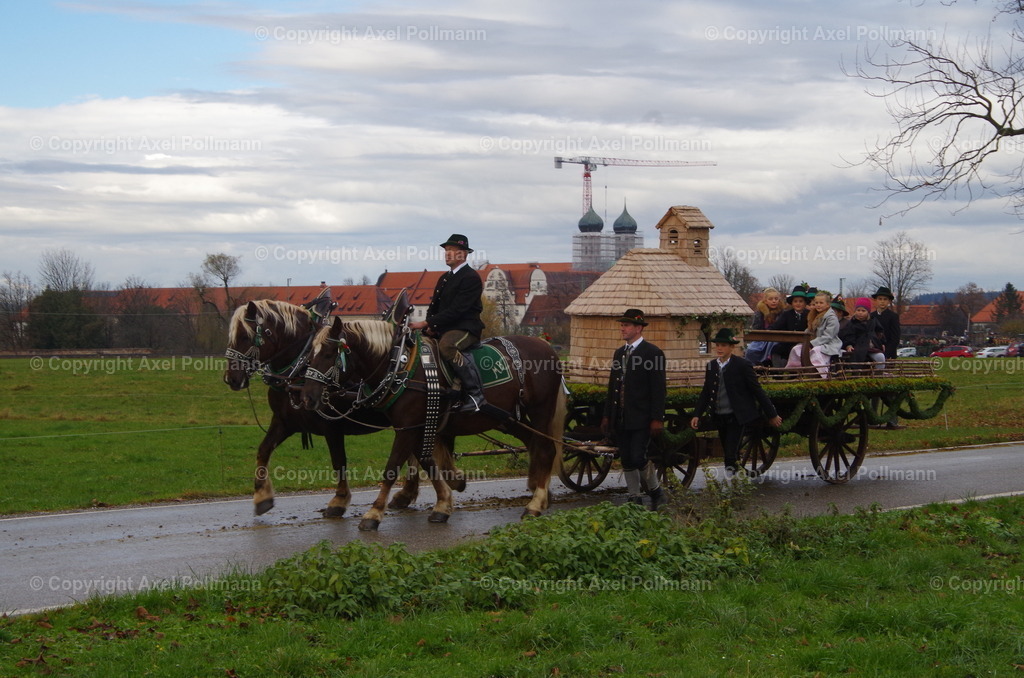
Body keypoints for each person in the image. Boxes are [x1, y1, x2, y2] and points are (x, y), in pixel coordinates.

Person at [408, 234, 488, 413]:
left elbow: (458, 310)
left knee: (447, 346)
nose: (447, 254)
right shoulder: (444, 278)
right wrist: (430, 327)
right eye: (446, 251)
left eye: (452, 250)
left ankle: (475, 394)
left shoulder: (471, 277)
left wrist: (426, 323)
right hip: (445, 326)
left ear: (464, 254)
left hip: (466, 328)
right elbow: (434, 306)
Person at [691, 328, 783, 475]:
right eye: (718, 345)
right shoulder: (712, 366)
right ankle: (733, 480)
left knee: (730, 453)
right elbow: (706, 392)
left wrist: (772, 414)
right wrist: (697, 414)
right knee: (727, 450)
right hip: (720, 416)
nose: (720, 349)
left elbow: (757, 390)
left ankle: (732, 484)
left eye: (724, 345)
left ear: (731, 347)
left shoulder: (742, 365)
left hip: (737, 417)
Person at [601, 309, 667, 510]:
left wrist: (657, 418)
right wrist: (606, 415)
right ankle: (634, 497)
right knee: (627, 457)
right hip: (621, 416)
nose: (623, 328)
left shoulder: (652, 353)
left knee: (638, 456)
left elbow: (658, 389)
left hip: (642, 416)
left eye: (627, 325)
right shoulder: (619, 353)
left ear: (638, 328)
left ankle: (656, 491)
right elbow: (613, 386)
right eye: (622, 325)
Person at [787, 290, 841, 377]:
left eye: (821, 303)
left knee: (816, 352)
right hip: (813, 342)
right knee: (796, 348)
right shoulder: (813, 315)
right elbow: (809, 330)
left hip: (829, 344)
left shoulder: (831, 318)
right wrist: (803, 338)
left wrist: (811, 344)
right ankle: (794, 372)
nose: (818, 305)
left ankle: (821, 374)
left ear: (827, 304)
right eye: (816, 303)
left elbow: (828, 336)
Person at [871, 286, 904, 429]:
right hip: (873, 356)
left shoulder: (892, 317)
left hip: (888, 356)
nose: (882, 302)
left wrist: (886, 355)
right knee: (872, 388)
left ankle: (892, 418)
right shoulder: (871, 316)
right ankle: (872, 416)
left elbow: (895, 338)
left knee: (888, 388)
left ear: (889, 302)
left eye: (885, 299)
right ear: (876, 301)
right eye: (879, 299)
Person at [768, 284, 810, 367]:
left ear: (805, 303)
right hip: (787, 342)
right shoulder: (786, 314)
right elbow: (776, 326)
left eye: (801, 301)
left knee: (795, 350)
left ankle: (794, 372)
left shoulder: (809, 315)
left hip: (803, 343)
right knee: (775, 349)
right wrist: (769, 330)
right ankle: (778, 372)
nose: (798, 304)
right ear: (792, 303)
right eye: (795, 301)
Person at [839, 297, 884, 370]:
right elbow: (848, 336)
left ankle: (879, 374)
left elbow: (880, 332)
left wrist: (881, 342)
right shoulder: (852, 324)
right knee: (856, 360)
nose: (860, 312)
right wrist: (849, 345)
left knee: (880, 357)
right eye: (858, 310)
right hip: (858, 348)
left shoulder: (873, 321)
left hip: (872, 347)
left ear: (868, 312)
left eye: (863, 311)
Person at [745, 287, 784, 365]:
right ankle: (752, 366)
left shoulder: (782, 313)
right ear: (765, 301)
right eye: (771, 299)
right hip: (761, 338)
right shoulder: (759, 313)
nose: (774, 301)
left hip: (776, 338)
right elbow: (755, 328)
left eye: (776, 299)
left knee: (773, 345)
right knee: (751, 349)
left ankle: (767, 361)